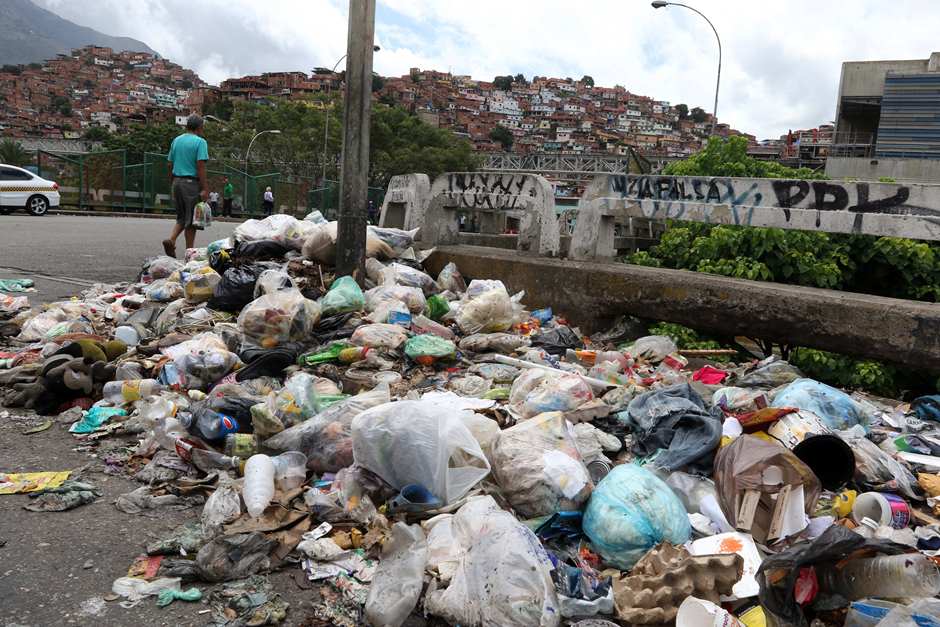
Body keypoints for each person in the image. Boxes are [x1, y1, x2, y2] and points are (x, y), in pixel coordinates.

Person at [163, 114, 208, 257]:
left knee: (182, 217)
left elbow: (169, 163)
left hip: (177, 182)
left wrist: (172, 181)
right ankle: (189, 253)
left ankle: (171, 239)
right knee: (192, 221)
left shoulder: (176, 140)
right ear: (199, 127)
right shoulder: (200, 142)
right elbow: (200, 166)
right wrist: (205, 188)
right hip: (190, 184)